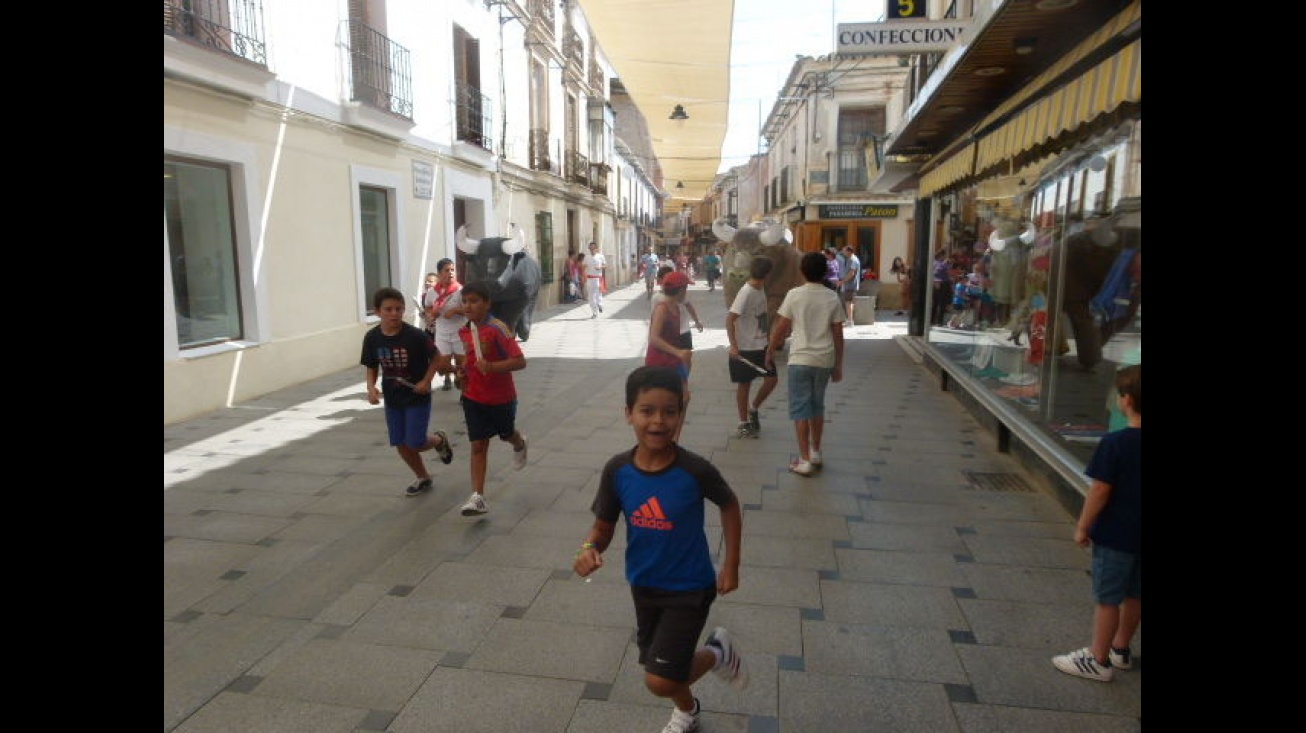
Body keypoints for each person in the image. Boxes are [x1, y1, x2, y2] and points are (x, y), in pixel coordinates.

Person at [572, 365, 748, 733]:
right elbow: (603, 527)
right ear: (628, 414)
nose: (658, 421)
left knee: (660, 679)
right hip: (644, 584)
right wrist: (588, 548)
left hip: (689, 587)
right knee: (662, 666)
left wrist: (730, 565)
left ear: (681, 416)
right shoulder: (617, 470)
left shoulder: (694, 470)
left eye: (670, 411)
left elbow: (729, 505)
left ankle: (716, 654)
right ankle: (689, 710)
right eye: (647, 411)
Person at [1052, 364, 1141, 682]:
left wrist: (1083, 526)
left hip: (1116, 535)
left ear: (1126, 401)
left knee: (1108, 599)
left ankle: (1098, 658)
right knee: (1135, 595)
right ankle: (1121, 648)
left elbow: (1100, 490)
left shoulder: (1116, 443)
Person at [438, 281, 529, 516]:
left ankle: (519, 443)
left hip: (501, 397)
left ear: (487, 304)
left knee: (507, 434)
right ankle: (477, 497)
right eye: (465, 302)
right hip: (473, 397)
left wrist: (492, 366)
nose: (468, 306)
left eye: (474, 301)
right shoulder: (464, 331)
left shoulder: (498, 329)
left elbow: (519, 361)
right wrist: (461, 372)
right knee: (478, 445)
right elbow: (468, 362)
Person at [360, 287, 455, 497]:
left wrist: (426, 380)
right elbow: (372, 365)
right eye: (388, 309)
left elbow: (437, 358)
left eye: (398, 309)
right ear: (377, 312)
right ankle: (423, 477)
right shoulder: (372, 338)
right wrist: (371, 387)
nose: (394, 313)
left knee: (415, 441)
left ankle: (439, 440)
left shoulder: (415, 336)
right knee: (400, 443)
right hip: (393, 399)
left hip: (417, 396)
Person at [766, 251, 844, 476]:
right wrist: (838, 365)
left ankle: (804, 459)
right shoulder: (832, 297)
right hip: (824, 359)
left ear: (802, 271)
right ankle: (816, 451)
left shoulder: (794, 295)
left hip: (800, 358)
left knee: (801, 409)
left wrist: (771, 349)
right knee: (817, 406)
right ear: (826, 272)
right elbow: (838, 335)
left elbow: (781, 327)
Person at [726, 256, 779, 439]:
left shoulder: (760, 287)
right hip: (745, 347)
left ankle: (753, 408)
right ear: (768, 274)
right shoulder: (746, 292)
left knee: (772, 380)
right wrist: (734, 346)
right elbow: (730, 319)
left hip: (762, 344)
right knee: (744, 385)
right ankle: (743, 422)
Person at [646, 271, 694, 444]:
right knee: (667, 402)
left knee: (684, 398)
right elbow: (654, 338)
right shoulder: (662, 308)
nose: (687, 292)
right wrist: (678, 352)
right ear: (681, 290)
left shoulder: (675, 307)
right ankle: (666, 440)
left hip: (673, 360)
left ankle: (674, 440)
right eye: (686, 288)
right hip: (659, 362)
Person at [429, 258, 466, 391]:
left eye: (452, 270)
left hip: (459, 333)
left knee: (462, 364)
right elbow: (427, 306)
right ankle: (456, 373)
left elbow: (469, 310)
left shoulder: (460, 290)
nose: (450, 273)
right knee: (441, 367)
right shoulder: (432, 292)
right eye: (446, 270)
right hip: (442, 333)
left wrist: (456, 310)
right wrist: (433, 313)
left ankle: (464, 393)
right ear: (439, 274)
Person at [583, 241, 607, 318]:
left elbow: (605, 265)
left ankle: (600, 305)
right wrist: (584, 269)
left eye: (593, 248)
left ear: (596, 248)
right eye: (590, 248)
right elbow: (584, 266)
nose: (592, 249)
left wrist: (600, 267)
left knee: (598, 294)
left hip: (597, 278)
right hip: (589, 278)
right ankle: (594, 312)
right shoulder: (587, 257)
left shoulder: (601, 256)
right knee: (590, 297)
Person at [838, 245, 861, 326]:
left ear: (849, 251)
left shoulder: (852, 260)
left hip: (851, 285)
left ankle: (850, 321)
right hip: (850, 284)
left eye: (844, 251)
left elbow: (852, 273)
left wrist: (842, 282)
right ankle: (849, 320)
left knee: (848, 302)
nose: (842, 252)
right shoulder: (850, 259)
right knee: (849, 302)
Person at [930, 249, 952, 326]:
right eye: (944, 255)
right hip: (942, 284)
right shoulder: (939, 263)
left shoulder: (935, 263)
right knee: (939, 304)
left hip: (940, 284)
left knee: (937, 303)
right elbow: (947, 273)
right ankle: (937, 321)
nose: (945, 257)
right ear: (941, 255)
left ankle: (935, 321)